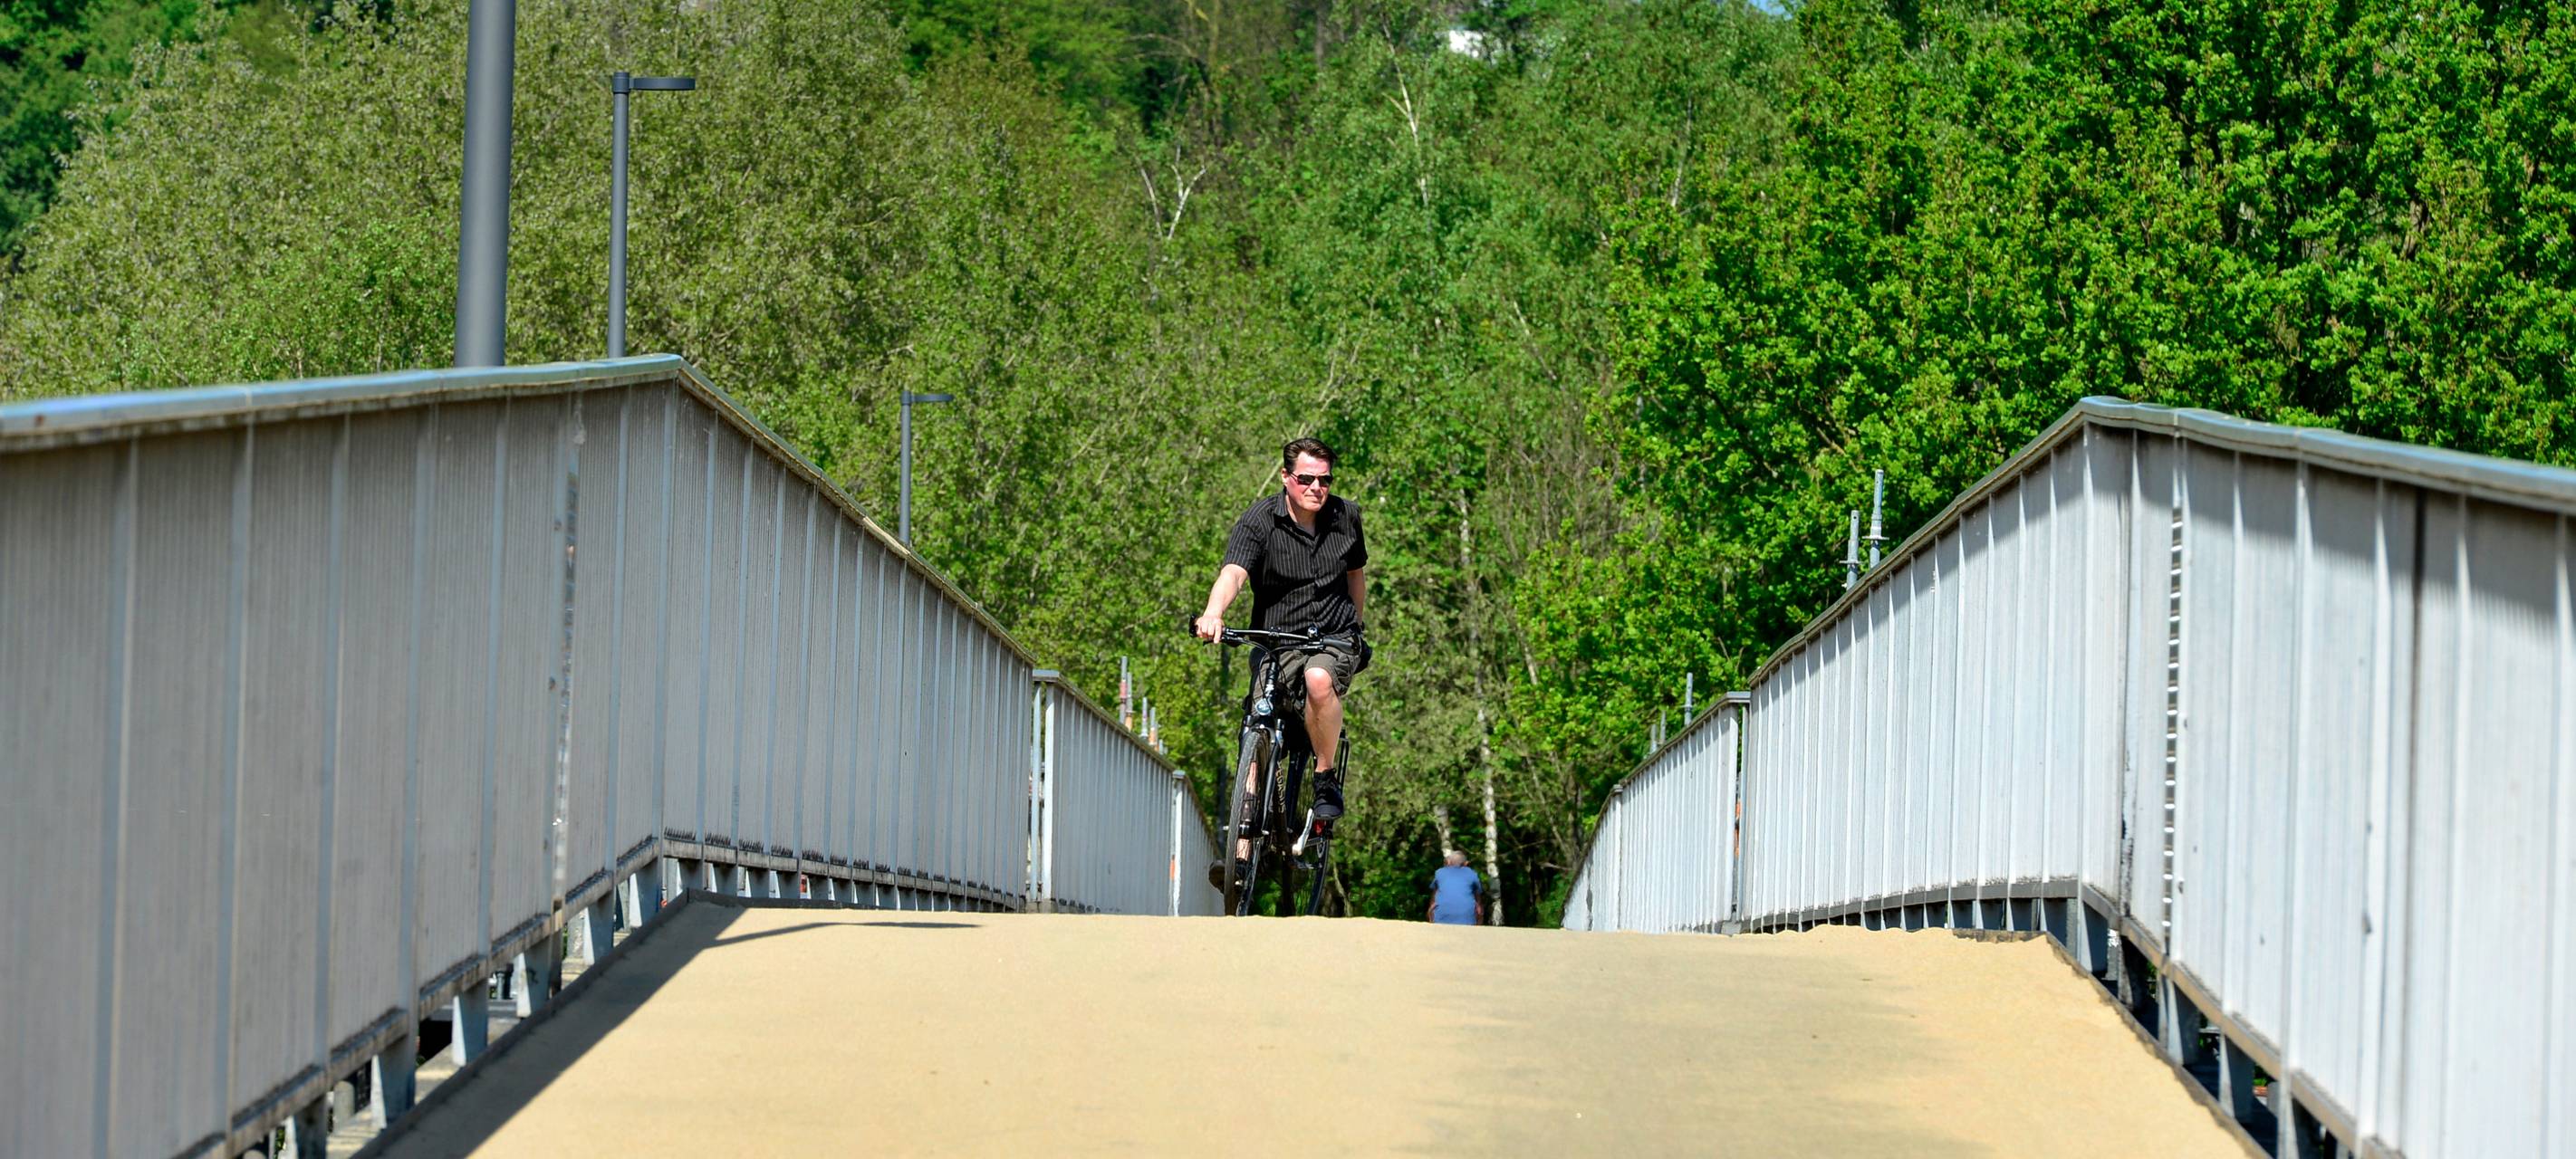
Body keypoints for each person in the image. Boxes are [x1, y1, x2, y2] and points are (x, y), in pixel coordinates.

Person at [1194, 436, 1369, 883]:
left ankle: (1325, 778)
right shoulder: (1259, 521)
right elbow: (1234, 572)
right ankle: (1241, 855)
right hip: (1277, 640)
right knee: (1258, 725)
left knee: (1317, 680)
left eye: (1324, 479)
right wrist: (1214, 613)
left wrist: (1358, 628)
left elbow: (1355, 574)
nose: (1317, 487)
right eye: (1307, 479)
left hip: (1332, 637)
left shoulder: (1346, 517)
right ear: (1286, 478)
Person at [1427, 850, 1485, 925]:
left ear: (1449, 862)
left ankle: (1433, 922)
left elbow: (1434, 897)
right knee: (1480, 909)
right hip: (1467, 920)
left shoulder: (1440, 872)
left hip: (1441, 919)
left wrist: (1430, 911)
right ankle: (1477, 930)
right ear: (1466, 863)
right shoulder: (1472, 874)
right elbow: (1478, 898)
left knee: (1432, 907)